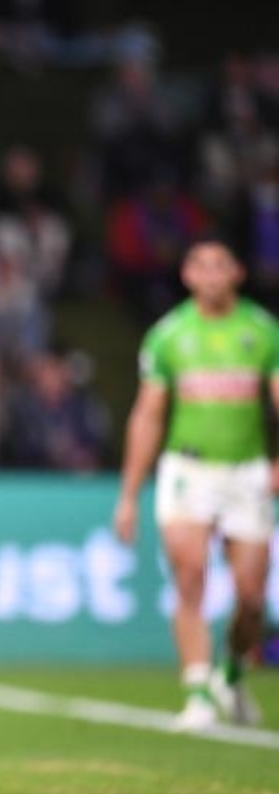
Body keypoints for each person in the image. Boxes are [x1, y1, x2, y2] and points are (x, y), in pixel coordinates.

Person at [114, 239, 278, 731]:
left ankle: (232, 674)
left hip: (246, 472)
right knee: (189, 579)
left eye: (219, 265)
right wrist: (129, 494)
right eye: (200, 266)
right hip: (188, 471)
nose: (210, 275)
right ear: (187, 275)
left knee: (251, 598)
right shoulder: (169, 335)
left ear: (237, 273)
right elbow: (148, 414)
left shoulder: (262, 331)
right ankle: (198, 690)